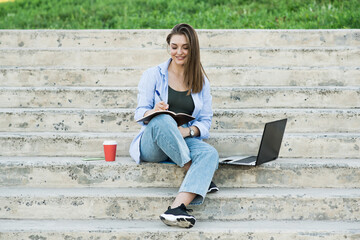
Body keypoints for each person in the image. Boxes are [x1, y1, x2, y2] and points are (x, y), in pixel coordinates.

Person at [129, 23, 219, 228]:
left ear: (193, 49)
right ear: (169, 47)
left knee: (210, 154)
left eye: (185, 47)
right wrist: (153, 112)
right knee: (163, 119)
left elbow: (205, 122)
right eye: (174, 46)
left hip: (183, 139)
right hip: (154, 144)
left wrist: (188, 131)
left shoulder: (201, 81)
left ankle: (176, 209)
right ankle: (195, 172)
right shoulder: (153, 75)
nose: (179, 52)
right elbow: (139, 112)